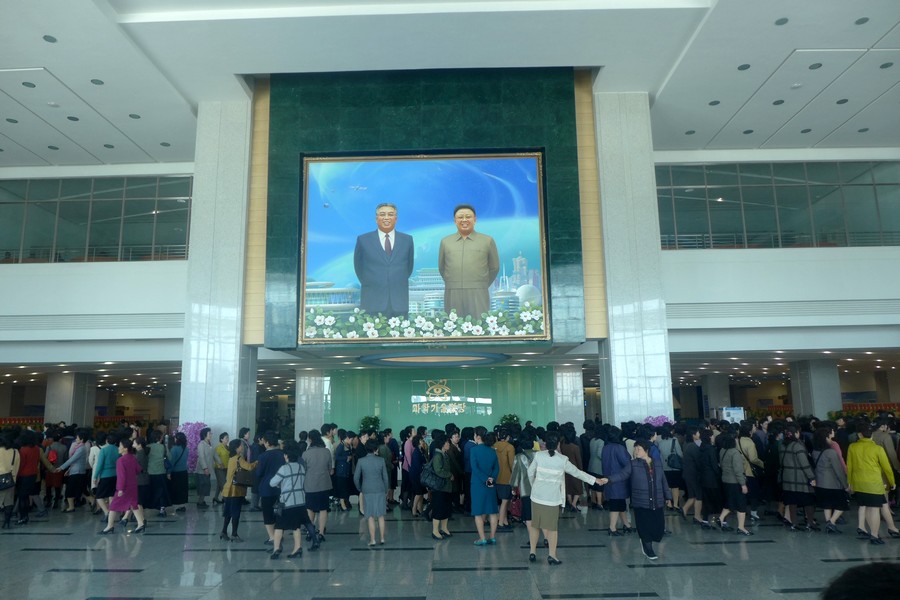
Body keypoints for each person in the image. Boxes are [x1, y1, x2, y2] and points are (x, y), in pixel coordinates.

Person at [529, 432, 602, 564]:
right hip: (552, 498)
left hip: (537, 496)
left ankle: (532, 552)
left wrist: (534, 484)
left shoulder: (538, 456)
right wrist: (594, 480)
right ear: (558, 444)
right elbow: (577, 473)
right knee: (552, 528)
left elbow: (530, 472)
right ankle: (552, 555)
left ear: (545, 443)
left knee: (535, 525)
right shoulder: (562, 460)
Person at [600, 439, 671, 560]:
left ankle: (648, 542)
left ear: (646, 451)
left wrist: (668, 496)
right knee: (644, 527)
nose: (636, 451)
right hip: (641, 501)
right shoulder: (633, 464)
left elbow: (663, 480)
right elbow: (622, 475)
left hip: (657, 500)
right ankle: (647, 547)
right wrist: (608, 479)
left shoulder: (657, 463)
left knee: (658, 528)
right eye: (635, 449)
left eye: (639, 449)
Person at [438, 204, 500, 319]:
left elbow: (494, 267)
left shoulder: (487, 240)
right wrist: (453, 283)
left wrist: (481, 284)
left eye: (468, 217)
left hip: (478, 292)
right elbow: (442, 268)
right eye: (460, 217)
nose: (464, 220)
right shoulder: (446, 242)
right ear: (455, 221)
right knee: (453, 324)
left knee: (480, 324)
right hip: (453, 292)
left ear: (475, 219)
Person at [353, 202, 414, 317]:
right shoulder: (363, 240)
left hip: (399, 303)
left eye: (390, 214)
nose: (386, 217)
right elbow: (359, 268)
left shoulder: (407, 240)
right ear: (376, 218)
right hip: (372, 302)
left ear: (396, 218)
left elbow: (408, 268)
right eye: (382, 214)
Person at [846, 424, 898, 544]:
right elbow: (887, 468)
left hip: (859, 483)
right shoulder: (877, 448)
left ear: (859, 435)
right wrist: (892, 481)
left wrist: (850, 483)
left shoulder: (852, 447)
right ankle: (874, 536)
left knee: (869, 507)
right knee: (874, 509)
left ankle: (876, 532)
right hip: (874, 483)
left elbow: (850, 467)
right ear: (872, 435)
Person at [269, 441, 317, 558]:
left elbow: (272, 483)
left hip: (287, 502)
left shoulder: (284, 468)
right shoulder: (301, 467)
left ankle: (276, 549)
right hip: (300, 502)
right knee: (296, 526)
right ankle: (297, 548)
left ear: (286, 456)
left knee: (279, 526)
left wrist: (281, 484)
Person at [101, 438, 145, 534]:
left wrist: (120, 489)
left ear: (125, 448)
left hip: (124, 487)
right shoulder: (133, 458)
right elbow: (138, 469)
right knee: (133, 505)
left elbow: (121, 476)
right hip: (133, 485)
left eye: (120, 446)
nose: (118, 448)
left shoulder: (120, 460)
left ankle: (110, 526)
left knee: (113, 506)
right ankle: (140, 523)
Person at [780, 424, 818, 531]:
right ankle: (810, 523)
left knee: (792, 502)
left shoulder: (782, 445)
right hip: (800, 478)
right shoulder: (797, 446)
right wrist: (811, 477)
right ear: (796, 433)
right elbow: (804, 463)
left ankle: (794, 523)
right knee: (808, 500)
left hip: (787, 478)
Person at [811, 426, 848, 534]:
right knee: (842, 504)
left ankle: (829, 523)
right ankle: (831, 522)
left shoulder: (815, 451)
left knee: (827, 504)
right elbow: (838, 470)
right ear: (826, 438)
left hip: (820, 483)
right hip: (832, 484)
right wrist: (845, 485)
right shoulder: (831, 452)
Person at [354, 438, 390, 546]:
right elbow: (385, 478)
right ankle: (382, 538)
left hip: (367, 490)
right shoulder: (381, 460)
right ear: (375, 449)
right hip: (380, 489)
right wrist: (386, 489)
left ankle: (373, 540)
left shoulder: (361, 461)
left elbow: (356, 478)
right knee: (381, 515)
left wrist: (360, 488)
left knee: (370, 516)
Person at [220, 438, 256, 542]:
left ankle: (224, 532)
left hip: (228, 490)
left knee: (228, 512)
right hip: (236, 490)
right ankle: (234, 534)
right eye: (240, 445)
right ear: (236, 448)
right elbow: (249, 467)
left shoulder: (231, 458)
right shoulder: (239, 458)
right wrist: (257, 462)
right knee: (236, 512)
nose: (242, 447)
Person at [470, 427, 500, 545]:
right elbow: (496, 468)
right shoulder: (492, 450)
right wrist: (491, 479)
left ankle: (482, 538)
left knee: (478, 512)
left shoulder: (474, 450)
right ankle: (492, 537)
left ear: (478, 437)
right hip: (491, 484)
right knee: (492, 511)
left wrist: (484, 479)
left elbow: (475, 468)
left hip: (478, 484)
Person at [717, 433, 752, 535]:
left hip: (725, 480)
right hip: (735, 482)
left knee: (730, 502)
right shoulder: (735, 453)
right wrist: (743, 484)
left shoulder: (722, 450)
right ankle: (741, 527)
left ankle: (721, 518)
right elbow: (738, 471)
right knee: (741, 504)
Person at [255, 431, 286, 545]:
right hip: (282, 487)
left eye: (264, 441)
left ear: (267, 443)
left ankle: (272, 537)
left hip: (267, 488)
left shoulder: (263, 456)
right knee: (280, 513)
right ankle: (280, 535)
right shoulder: (283, 454)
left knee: (267, 513)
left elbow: (258, 473)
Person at [601, 426, 633, 535]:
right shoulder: (619, 448)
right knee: (616, 504)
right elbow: (627, 462)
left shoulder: (605, 448)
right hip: (619, 480)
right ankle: (612, 528)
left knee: (620, 504)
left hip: (608, 478)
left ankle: (626, 524)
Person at [303, 429, 332, 546]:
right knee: (323, 509)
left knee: (310, 508)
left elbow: (303, 470)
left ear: (310, 439)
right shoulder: (326, 452)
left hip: (310, 485)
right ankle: (321, 533)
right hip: (324, 484)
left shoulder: (306, 454)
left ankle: (310, 532)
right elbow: (330, 469)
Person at [426, 432, 454, 541]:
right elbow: (438, 471)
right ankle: (435, 531)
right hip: (439, 487)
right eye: (447, 442)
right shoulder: (438, 456)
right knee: (438, 509)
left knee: (445, 508)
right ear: (442, 443)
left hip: (446, 487)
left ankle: (444, 528)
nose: (449, 444)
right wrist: (449, 475)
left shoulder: (444, 454)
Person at [57, 428, 90, 513]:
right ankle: (93, 503)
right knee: (81, 490)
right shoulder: (79, 447)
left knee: (70, 490)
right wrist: (68, 469)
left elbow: (72, 459)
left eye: (77, 438)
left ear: (82, 439)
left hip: (77, 472)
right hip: (76, 471)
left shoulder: (81, 448)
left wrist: (61, 467)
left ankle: (71, 507)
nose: (76, 439)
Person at [92, 429, 121, 521]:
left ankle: (106, 512)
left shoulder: (104, 450)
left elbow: (99, 465)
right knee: (112, 495)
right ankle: (112, 513)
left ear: (107, 441)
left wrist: (95, 476)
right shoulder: (118, 450)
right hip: (115, 475)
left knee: (99, 496)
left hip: (105, 476)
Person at [493, 427, 515, 527]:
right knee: (505, 501)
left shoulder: (494, 446)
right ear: (508, 437)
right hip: (506, 478)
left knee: (499, 502)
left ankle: (505, 521)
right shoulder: (510, 447)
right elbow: (511, 464)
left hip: (495, 477)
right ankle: (501, 523)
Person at [146, 430, 170, 517]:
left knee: (152, 491)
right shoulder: (162, 447)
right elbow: (169, 457)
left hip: (150, 472)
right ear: (158, 437)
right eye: (161, 436)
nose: (162, 438)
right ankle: (162, 509)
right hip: (161, 472)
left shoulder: (147, 447)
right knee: (161, 491)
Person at [166, 432, 189, 512]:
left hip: (176, 472)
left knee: (176, 489)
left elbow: (172, 462)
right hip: (184, 472)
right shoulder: (186, 449)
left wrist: (168, 472)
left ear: (177, 439)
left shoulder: (174, 449)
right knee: (183, 489)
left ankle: (177, 506)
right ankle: (183, 505)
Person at [0, 432, 19, 529]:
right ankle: (7, 522)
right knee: (9, 502)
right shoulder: (16, 451)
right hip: (11, 479)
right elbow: (17, 466)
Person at [195, 427, 214, 509]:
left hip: (208, 470)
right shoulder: (201, 444)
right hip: (202, 470)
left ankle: (201, 501)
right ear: (204, 435)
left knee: (206, 486)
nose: (211, 435)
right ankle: (200, 502)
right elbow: (201, 457)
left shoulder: (209, 444)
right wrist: (205, 468)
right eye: (209, 433)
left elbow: (214, 454)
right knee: (203, 486)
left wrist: (220, 462)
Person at [213, 432, 229, 505]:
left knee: (220, 483)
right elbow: (215, 457)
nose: (227, 439)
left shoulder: (228, 447)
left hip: (226, 468)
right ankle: (225, 499)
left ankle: (215, 497)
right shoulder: (218, 448)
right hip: (219, 468)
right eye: (226, 438)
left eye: (228, 437)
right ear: (221, 439)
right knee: (223, 483)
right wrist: (219, 465)